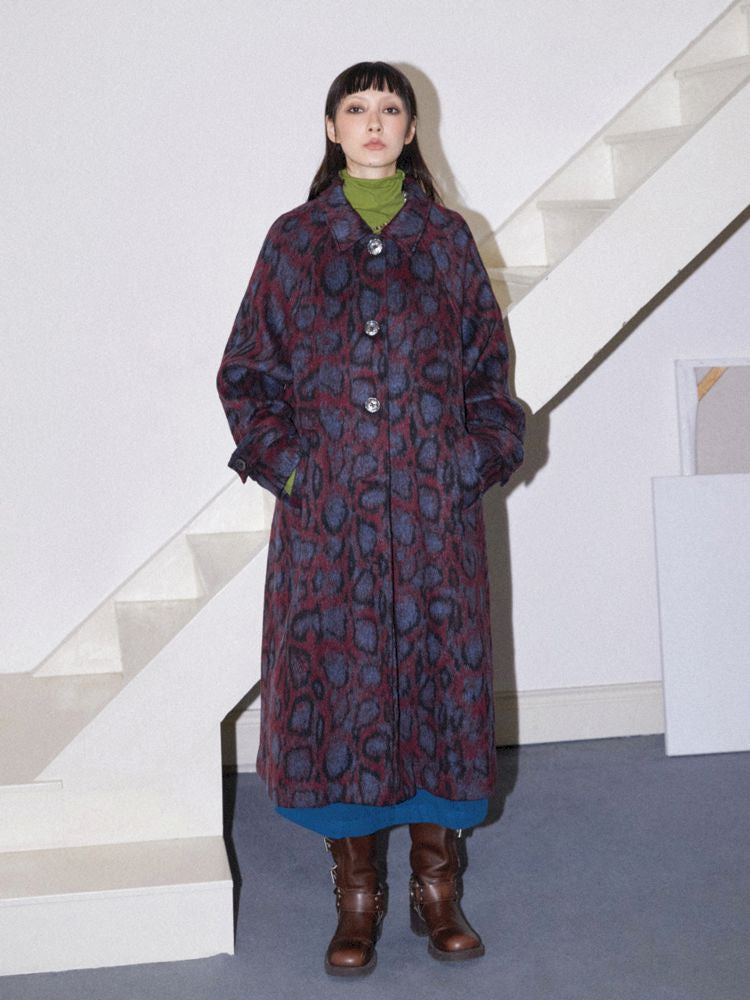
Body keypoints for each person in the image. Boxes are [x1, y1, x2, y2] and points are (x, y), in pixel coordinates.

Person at [216, 61, 525, 976]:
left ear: (411, 128)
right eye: (358, 108)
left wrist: (468, 461)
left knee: (437, 686)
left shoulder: (447, 237)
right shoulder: (294, 239)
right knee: (339, 695)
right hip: (331, 522)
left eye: (392, 108)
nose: (375, 121)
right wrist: (297, 472)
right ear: (332, 127)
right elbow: (247, 375)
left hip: (434, 522)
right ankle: (357, 896)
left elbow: (489, 374)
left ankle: (438, 887)